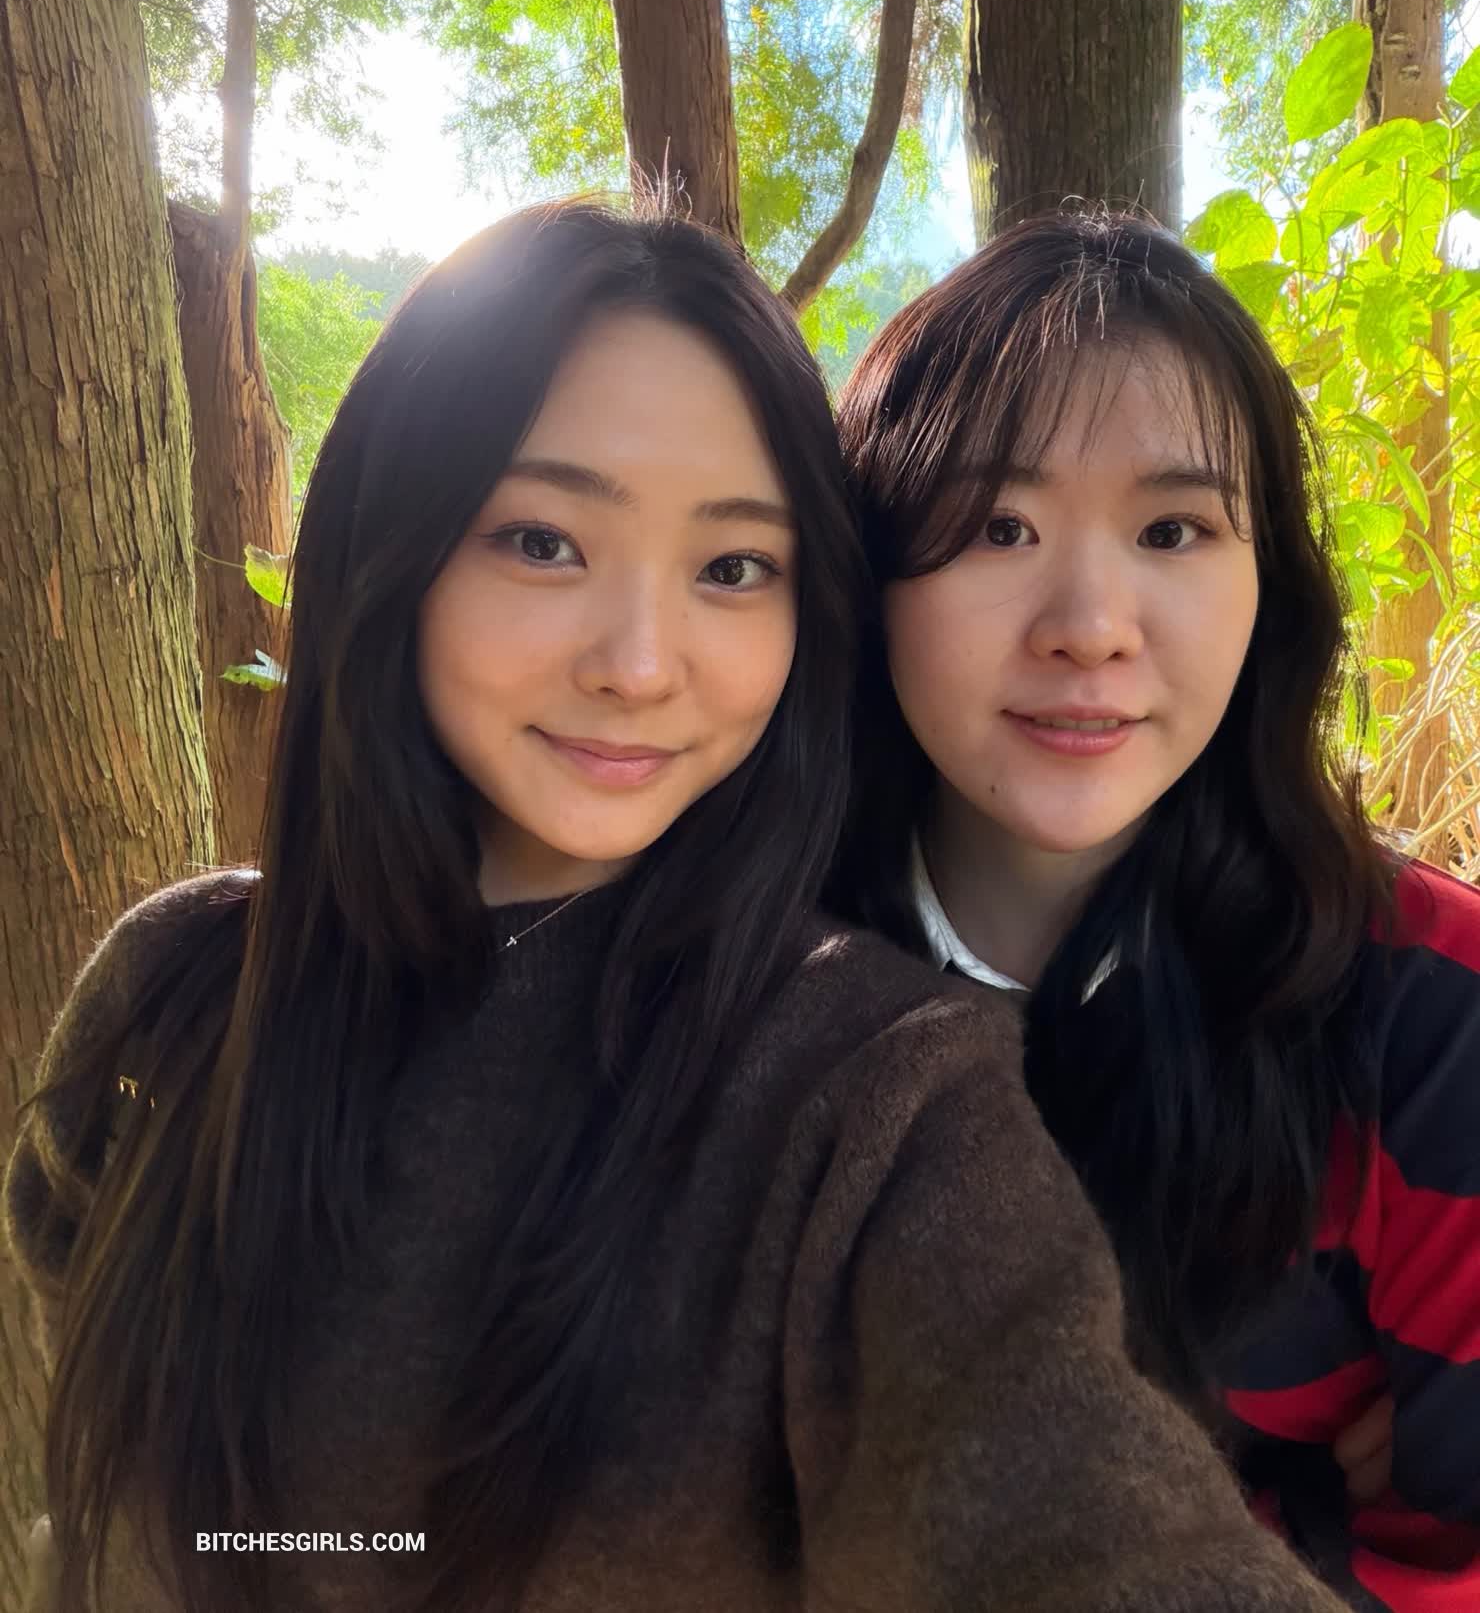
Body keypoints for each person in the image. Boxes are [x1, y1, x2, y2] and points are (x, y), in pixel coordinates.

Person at [6, 199, 1348, 1613]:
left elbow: (1080, 1510)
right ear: (389, 542)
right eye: (542, 541)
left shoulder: (874, 1101)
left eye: (731, 568)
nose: (641, 664)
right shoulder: (172, 992)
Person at [831, 208, 1480, 1613]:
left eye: (1173, 529)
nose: (1091, 625)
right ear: (866, 579)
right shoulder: (750, 983)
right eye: (997, 526)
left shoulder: (1436, 1015)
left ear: (1269, 585)